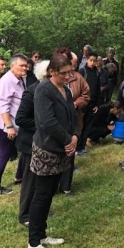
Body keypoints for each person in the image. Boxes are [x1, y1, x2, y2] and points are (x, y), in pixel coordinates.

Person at [27, 54, 79, 248]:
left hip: (62, 150)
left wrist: (75, 137)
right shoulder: (43, 90)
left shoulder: (66, 90)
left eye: (70, 72)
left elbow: (73, 116)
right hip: (47, 150)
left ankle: (42, 234)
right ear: (52, 72)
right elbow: (47, 122)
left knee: (50, 194)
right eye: (64, 73)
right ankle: (33, 243)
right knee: (41, 195)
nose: (68, 76)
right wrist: (68, 140)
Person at [15, 60, 49, 227]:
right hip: (30, 142)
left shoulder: (52, 91)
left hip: (44, 142)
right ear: (45, 75)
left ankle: (37, 209)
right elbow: (20, 118)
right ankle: (25, 215)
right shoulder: (31, 92)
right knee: (30, 180)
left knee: (41, 178)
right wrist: (42, 126)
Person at [0, 54, 29, 195]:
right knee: (5, 154)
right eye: (21, 66)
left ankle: (19, 177)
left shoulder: (19, 79)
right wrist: (10, 127)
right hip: (6, 125)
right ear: (12, 66)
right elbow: (2, 106)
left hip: (17, 124)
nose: (25, 68)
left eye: (26, 66)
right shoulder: (6, 81)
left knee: (25, 149)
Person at [53, 47, 89, 194]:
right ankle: (52, 184)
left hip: (73, 119)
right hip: (55, 121)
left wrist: (76, 103)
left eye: (66, 58)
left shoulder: (77, 77)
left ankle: (66, 186)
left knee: (70, 150)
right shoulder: (49, 77)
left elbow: (86, 94)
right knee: (55, 151)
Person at [78, 52, 100, 156]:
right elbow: (78, 87)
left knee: (88, 126)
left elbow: (98, 90)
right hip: (83, 103)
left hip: (92, 104)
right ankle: (77, 147)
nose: (92, 63)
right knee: (80, 125)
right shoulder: (82, 71)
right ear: (87, 60)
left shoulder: (97, 73)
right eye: (90, 60)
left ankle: (82, 147)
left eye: (94, 61)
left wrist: (97, 104)